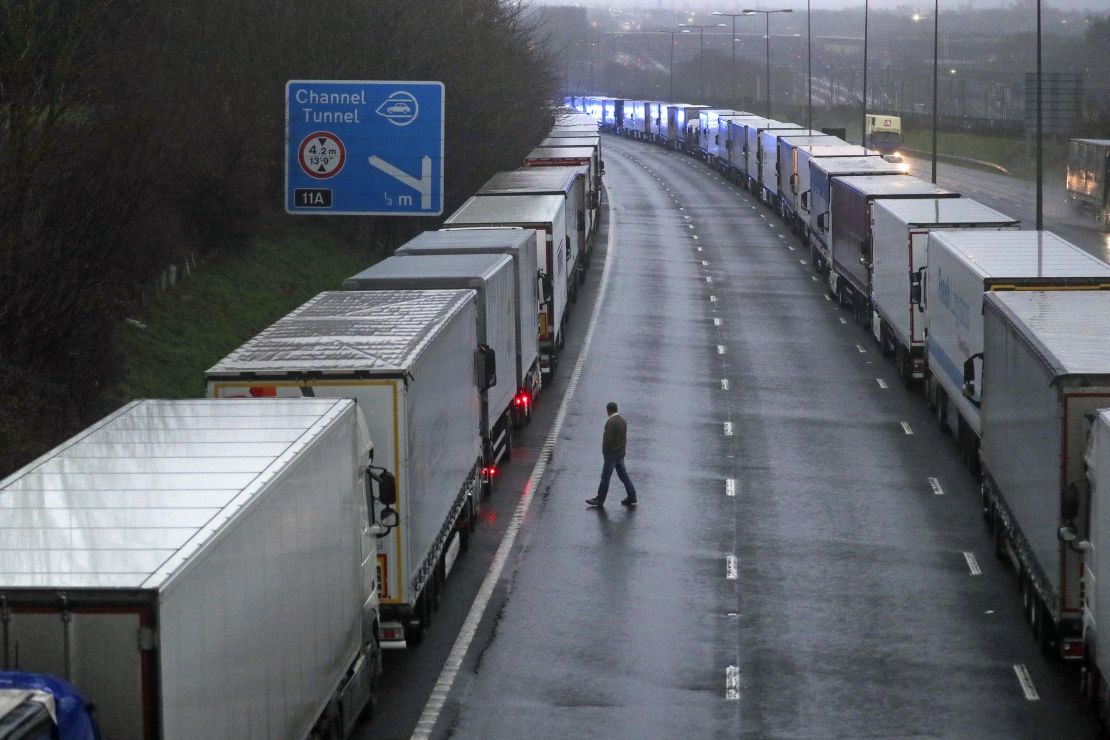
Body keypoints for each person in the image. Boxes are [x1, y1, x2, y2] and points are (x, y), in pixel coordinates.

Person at [586, 402, 637, 507]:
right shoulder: (623, 421)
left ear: (608, 410)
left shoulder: (611, 422)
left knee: (605, 477)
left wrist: (605, 452)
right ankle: (632, 496)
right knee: (624, 475)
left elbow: (607, 440)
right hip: (620, 453)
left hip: (611, 455)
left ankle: (600, 499)